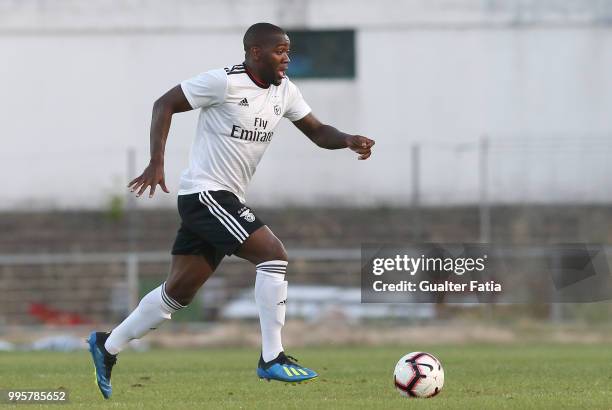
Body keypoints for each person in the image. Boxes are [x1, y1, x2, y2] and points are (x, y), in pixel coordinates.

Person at [87, 22, 375, 399]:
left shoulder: (284, 91)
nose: (287, 57)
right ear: (255, 52)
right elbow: (165, 104)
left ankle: (106, 345)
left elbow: (319, 132)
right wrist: (157, 162)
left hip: (224, 199)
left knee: (178, 294)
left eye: (288, 50)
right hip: (206, 195)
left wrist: (348, 140)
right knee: (273, 255)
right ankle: (272, 357)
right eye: (279, 51)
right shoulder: (223, 82)